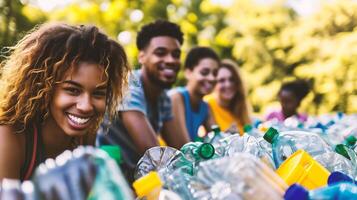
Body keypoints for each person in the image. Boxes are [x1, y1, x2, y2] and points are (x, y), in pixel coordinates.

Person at [0, 23, 130, 180]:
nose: (86, 106)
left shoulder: (84, 133)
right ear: (44, 87)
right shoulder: (9, 136)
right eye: (73, 90)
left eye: (98, 93)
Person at [96, 20, 190, 181]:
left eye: (176, 54)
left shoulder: (163, 98)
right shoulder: (130, 85)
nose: (171, 60)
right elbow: (155, 156)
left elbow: (184, 150)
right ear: (142, 56)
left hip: (139, 179)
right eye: (160, 53)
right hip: (111, 179)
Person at [170, 47, 220, 141]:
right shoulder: (176, 98)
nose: (211, 78)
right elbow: (183, 147)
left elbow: (218, 139)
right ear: (188, 72)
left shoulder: (205, 107)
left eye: (215, 73)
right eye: (204, 72)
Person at [204, 59, 251, 135]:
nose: (228, 85)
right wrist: (228, 136)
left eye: (232, 79)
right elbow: (210, 139)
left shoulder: (240, 109)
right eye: (221, 80)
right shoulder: (207, 105)